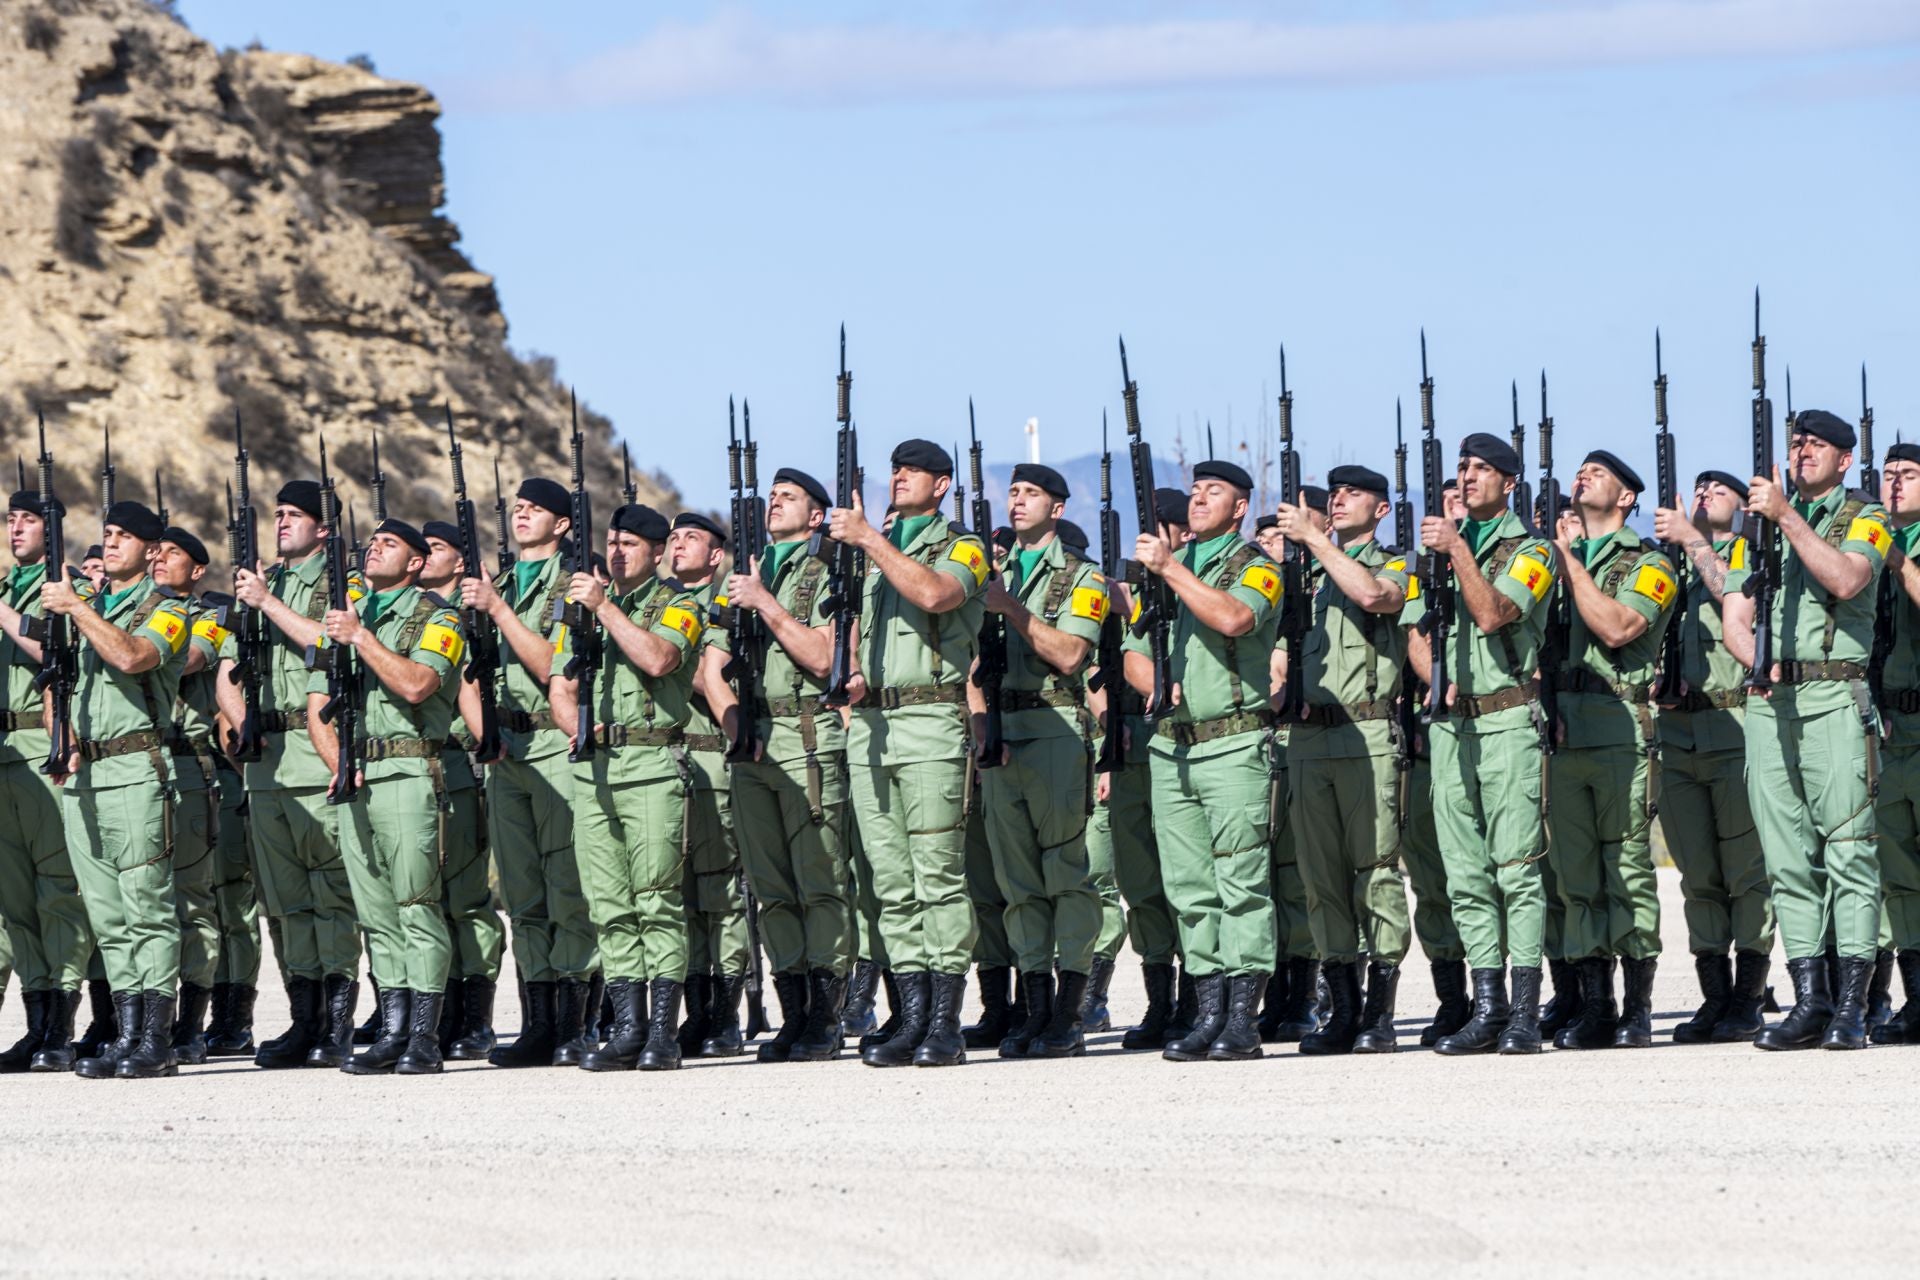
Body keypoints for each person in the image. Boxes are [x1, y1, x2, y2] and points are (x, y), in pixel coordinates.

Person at [1724, 409, 1890, 1050]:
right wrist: (1753, 657)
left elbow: (1848, 579)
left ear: (1844, 459)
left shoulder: (1865, 519)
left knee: (1849, 850)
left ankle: (1853, 1004)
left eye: (1816, 445)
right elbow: (1736, 610)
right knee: (1787, 858)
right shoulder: (1754, 529)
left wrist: (1787, 518)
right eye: (1797, 444)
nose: (1803, 453)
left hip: (1832, 695)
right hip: (1770, 699)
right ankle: (1810, 999)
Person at [828, 440, 987, 1068]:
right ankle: (912, 1014)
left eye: (914, 470)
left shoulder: (962, 545)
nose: (899, 477)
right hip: (872, 724)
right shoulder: (869, 555)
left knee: (937, 876)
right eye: (895, 469)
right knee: (891, 884)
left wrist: (870, 539)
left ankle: (945, 1021)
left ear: (942, 485)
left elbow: (937, 595)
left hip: (929, 723)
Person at [1127, 460, 1286, 1062]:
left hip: (1233, 742)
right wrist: (1153, 681)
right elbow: (1133, 650)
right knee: (1190, 889)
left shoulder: (1255, 567)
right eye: (1193, 492)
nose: (1197, 500)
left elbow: (1235, 617)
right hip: (1172, 744)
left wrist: (1171, 569)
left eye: (1212, 491)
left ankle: (1242, 1019)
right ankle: (1208, 1010)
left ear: (1240, 507)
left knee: (1240, 883)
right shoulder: (1170, 569)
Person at [1410, 433, 1556, 1056]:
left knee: (1516, 871)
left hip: (1507, 721)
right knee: (1465, 875)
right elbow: (1413, 627)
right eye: (1462, 468)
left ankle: (1524, 1010)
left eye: (1481, 469)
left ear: (1509, 483)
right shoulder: (1443, 551)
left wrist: (1459, 550)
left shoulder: (1532, 549)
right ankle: (1487, 1004)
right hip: (1451, 725)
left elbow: (1496, 612)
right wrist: (1433, 678)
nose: (1467, 478)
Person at [551, 503, 704, 1072]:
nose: (616, 552)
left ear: (656, 552)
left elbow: (660, 658)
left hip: (651, 761)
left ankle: (663, 1032)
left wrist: (605, 607)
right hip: (595, 766)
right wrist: (575, 725)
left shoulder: (680, 604)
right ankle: (629, 1026)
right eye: (611, 543)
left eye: (630, 545)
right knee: (609, 904)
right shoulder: (581, 609)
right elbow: (560, 681)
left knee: (656, 899)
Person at [46, 500, 195, 1079]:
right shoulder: (95, 609)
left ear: (152, 551)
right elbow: (63, 677)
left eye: (123, 536)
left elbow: (133, 656)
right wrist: (66, 737)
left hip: (137, 767)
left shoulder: (169, 608)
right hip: (88, 774)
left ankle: (155, 1036)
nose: (109, 544)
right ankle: (127, 1032)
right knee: (107, 914)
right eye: (106, 534)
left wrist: (79, 607)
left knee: (147, 906)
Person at [311, 519, 465, 1075]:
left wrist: (360, 638)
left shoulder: (437, 617)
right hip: (357, 774)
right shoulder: (351, 617)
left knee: (416, 905)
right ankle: (393, 1026)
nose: (375, 549)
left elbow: (418, 684)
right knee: (376, 914)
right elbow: (318, 701)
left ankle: (424, 1034)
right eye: (372, 543)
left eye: (390, 544)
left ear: (417, 563)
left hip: (406, 769)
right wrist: (339, 764)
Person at [218, 480, 361, 1068]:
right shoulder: (262, 582)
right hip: (266, 760)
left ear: (323, 529)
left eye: (294, 516)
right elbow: (227, 665)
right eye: (276, 515)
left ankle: (338, 1022)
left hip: (314, 749)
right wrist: (240, 721)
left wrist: (267, 605)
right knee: (285, 905)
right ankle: (305, 1020)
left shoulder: (340, 583)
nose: (281, 524)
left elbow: (331, 646)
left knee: (333, 900)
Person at [1274, 464, 1416, 1054]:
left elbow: (1373, 595)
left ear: (1381, 509)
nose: (1338, 500)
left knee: (1374, 870)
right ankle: (1341, 1006)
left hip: (1366, 733)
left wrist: (1313, 541)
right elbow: (1280, 657)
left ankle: (1380, 1010)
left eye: (1352, 493)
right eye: (1334, 493)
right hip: (1308, 739)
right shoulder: (1304, 578)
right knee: (1319, 879)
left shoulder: (1396, 564)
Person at [719, 467, 858, 1063]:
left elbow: (826, 655)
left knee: (819, 879)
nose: (776, 504)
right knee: (772, 888)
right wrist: (736, 725)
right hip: (754, 741)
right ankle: (793, 1012)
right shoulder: (748, 574)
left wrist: (767, 606)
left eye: (789, 498)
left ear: (817, 515)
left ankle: (825, 1017)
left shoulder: (827, 569)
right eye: (772, 497)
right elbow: (712, 665)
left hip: (806, 736)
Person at [458, 478, 597, 1068]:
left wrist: (498, 609)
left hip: (553, 738)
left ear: (563, 524)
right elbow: (470, 669)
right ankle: (539, 1020)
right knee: (523, 894)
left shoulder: (572, 584)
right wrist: (483, 733)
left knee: (568, 887)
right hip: (507, 749)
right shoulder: (503, 581)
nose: (521, 515)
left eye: (535, 509)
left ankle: (577, 1023)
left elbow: (550, 663)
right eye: (517, 508)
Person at [1542, 451, 1677, 1049]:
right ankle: (1594, 1005)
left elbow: (1619, 627)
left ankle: (1637, 1008)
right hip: (1564, 725)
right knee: (1574, 875)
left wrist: (1568, 560)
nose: (1582, 477)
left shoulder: (1649, 563)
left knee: (1626, 869)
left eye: (1598, 474)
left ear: (1626, 499)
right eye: (1580, 472)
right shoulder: (1550, 559)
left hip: (1618, 721)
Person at [971, 463, 1107, 1058]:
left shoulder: (1082, 576)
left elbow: (1073, 654)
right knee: (1017, 882)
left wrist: (1011, 610)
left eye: (1031, 494)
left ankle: (1070, 1011)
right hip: (1002, 731)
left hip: (1055, 729)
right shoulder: (989, 574)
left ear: (1058, 508)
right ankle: (1033, 1007)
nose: (1017, 500)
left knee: (1066, 877)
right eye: (1014, 491)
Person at [1650, 472, 1773, 1042]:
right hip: (1677, 733)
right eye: (1697, 490)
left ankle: (1749, 997)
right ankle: (1714, 996)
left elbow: (1736, 601)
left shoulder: (1751, 553)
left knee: (1746, 873)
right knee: (1698, 875)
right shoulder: (1665, 564)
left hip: (1734, 728)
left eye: (1717, 491)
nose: (1703, 497)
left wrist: (1694, 543)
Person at [0, 486, 92, 1073]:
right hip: (6, 755)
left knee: (59, 891)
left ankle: (60, 1025)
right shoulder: (7, 586)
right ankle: (35, 1024)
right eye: (10, 520)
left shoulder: (66, 589)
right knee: (15, 902)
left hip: (44, 747)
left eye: (27, 521)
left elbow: (55, 650)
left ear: (52, 529)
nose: (14, 529)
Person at [664, 510, 753, 1057]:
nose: (677, 546)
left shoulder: (724, 607)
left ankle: (724, 1014)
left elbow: (703, 676)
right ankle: (695, 1011)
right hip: (670, 759)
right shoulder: (660, 604)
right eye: (671, 539)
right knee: (681, 896)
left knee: (720, 893)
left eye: (690, 538)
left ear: (716, 554)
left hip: (712, 757)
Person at [417, 520, 506, 1058]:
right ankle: (439, 1013)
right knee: (426, 893)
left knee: (467, 897)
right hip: (421, 764)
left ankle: (476, 1018)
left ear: (460, 562)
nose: (427, 557)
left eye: (438, 549)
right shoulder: (411, 613)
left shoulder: (470, 618)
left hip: (461, 763)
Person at [151, 526, 224, 1064]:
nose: (160, 558)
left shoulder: (210, 616)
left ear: (197, 570)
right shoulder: (130, 608)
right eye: (158, 550)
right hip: (138, 761)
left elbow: (188, 659)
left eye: (174, 553)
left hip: (186, 762)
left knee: (191, 900)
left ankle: (191, 1024)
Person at [1868, 444, 1920, 1044]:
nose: (1895, 485)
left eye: (1908, 475)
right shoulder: (1870, 542)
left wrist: (1898, 558)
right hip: (1889, 733)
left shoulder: (1894, 549)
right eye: (1888, 476)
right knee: (1900, 879)